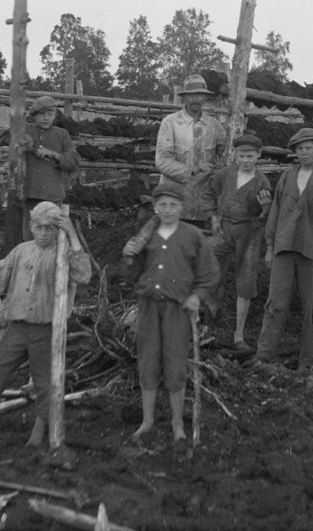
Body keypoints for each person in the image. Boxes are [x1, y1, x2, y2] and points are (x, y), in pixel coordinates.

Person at [0, 201, 91, 447]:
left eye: (50, 228)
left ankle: (40, 428)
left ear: (57, 230)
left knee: (44, 380)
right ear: (31, 227)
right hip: (17, 327)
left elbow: (83, 275)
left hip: (46, 329)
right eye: (39, 227)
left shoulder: (63, 253)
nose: (43, 233)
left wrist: (71, 234)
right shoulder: (21, 251)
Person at [122, 178, 219, 441]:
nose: (167, 210)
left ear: (181, 207)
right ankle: (147, 421)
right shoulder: (146, 234)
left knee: (175, 366)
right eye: (162, 205)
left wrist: (197, 296)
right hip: (149, 307)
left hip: (177, 309)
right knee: (148, 362)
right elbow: (131, 273)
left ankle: (177, 424)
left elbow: (210, 273)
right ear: (155, 207)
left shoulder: (193, 236)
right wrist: (129, 255)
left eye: (172, 205)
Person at [253, 127, 313, 370]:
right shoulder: (287, 176)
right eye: (300, 149)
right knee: (275, 304)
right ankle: (263, 356)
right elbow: (275, 212)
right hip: (284, 247)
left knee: (311, 308)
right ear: (295, 152)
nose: (304, 153)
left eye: (309, 148)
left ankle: (307, 362)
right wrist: (269, 247)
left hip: (312, 249)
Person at [199, 134, 273, 346]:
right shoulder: (226, 174)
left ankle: (239, 335)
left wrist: (265, 209)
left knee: (246, 280)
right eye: (241, 156)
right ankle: (208, 321)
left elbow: (263, 218)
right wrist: (213, 216)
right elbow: (206, 191)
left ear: (258, 155)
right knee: (206, 260)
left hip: (249, 233)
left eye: (250, 156)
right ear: (235, 155)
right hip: (224, 229)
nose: (245, 160)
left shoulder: (262, 181)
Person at [155, 74, 227, 229]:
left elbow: (224, 157)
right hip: (173, 201)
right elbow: (162, 161)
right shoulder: (170, 123)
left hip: (201, 204)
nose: (195, 99)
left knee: (196, 240)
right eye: (191, 95)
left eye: (199, 95)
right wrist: (192, 170)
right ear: (184, 98)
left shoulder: (214, 126)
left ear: (205, 97)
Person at [22, 96, 80, 234]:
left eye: (50, 114)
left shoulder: (62, 134)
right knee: (30, 235)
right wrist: (21, 135)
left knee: (52, 234)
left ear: (55, 115)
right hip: (30, 194)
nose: (46, 118)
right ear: (34, 115)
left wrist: (53, 154)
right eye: (42, 114)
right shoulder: (26, 129)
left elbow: (73, 162)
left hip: (52, 196)